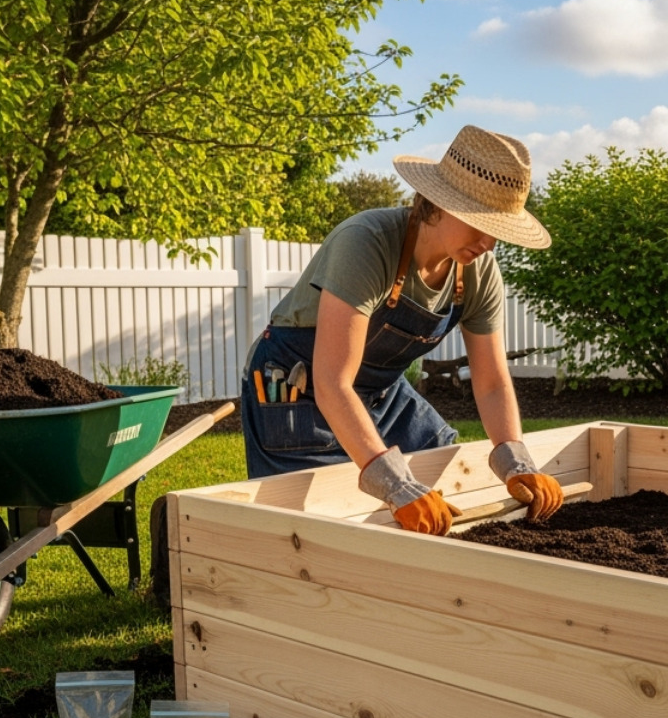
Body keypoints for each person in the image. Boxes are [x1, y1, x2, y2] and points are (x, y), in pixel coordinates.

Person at [240, 125, 565, 536]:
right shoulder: (367, 243)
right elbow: (332, 383)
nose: (488, 243)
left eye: (499, 231)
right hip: (299, 386)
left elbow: (492, 384)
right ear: (440, 204)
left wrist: (516, 461)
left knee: (449, 475)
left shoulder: (478, 271)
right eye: (480, 224)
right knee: (315, 527)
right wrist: (396, 484)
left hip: (381, 392)